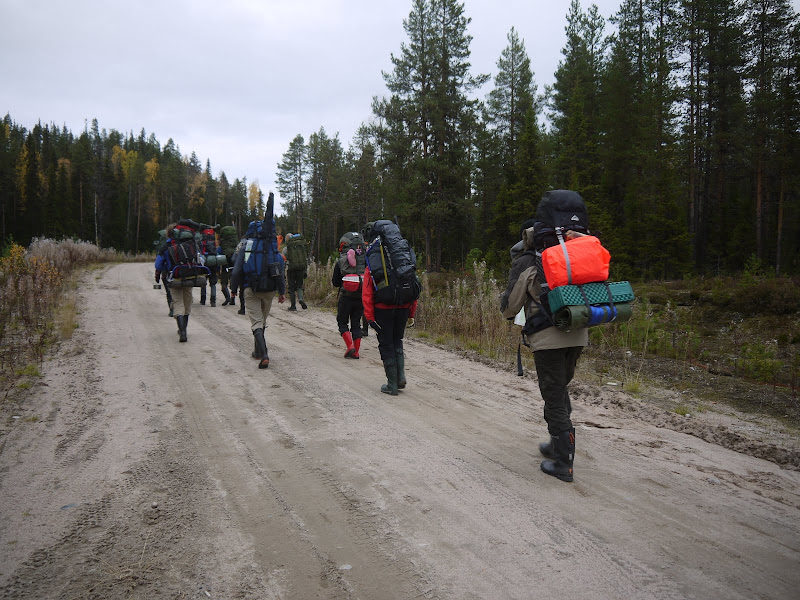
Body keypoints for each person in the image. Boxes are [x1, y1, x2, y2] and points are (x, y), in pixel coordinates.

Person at [500, 194, 589, 483]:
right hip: (578, 330)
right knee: (559, 387)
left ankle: (564, 462)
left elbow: (511, 306)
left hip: (548, 336)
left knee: (552, 394)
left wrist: (508, 307)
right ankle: (556, 443)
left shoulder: (528, 258)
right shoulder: (572, 251)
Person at [362, 226, 418, 396]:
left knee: (386, 344)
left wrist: (370, 317)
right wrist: (411, 313)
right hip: (403, 306)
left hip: (383, 309)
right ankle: (400, 377)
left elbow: (367, 291)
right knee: (397, 340)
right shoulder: (404, 259)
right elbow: (413, 286)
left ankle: (392, 385)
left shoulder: (374, 259)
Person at [229, 211, 286, 369]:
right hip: (269, 290)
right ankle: (257, 351)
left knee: (256, 323)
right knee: (262, 321)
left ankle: (264, 353)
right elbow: (279, 270)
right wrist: (282, 292)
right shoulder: (273, 248)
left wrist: (233, 290)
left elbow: (236, 271)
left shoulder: (246, 246)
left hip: (251, 289)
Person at [154, 224, 201, 343]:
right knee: (187, 303)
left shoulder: (167, 245)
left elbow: (158, 264)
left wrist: (160, 272)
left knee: (178, 303)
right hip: (189, 276)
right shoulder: (189, 244)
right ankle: (184, 329)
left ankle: (182, 332)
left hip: (174, 277)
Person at [332, 235, 366, 359]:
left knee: (342, 322)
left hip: (346, 296)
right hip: (361, 296)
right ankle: (356, 351)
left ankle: (350, 346)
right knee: (356, 324)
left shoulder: (341, 261)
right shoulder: (364, 260)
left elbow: (335, 282)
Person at [282, 232, 308, 311]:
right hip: (301, 269)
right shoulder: (301, 247)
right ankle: (300, 299)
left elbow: (283, 261)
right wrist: (305, 270)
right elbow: (304, 259)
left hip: (291, 270)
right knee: (299, 286)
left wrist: (282, 272)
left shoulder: (286, 249)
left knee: (291, 288)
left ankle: (293, 306)